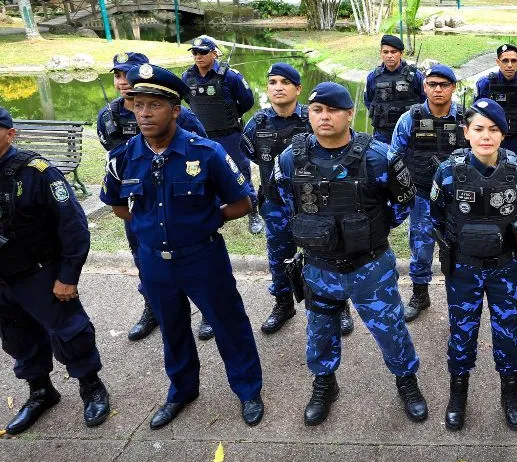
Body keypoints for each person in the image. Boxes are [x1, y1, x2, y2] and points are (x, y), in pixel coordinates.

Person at [100, 63, 264, 429]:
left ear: (175, 110)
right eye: (137, 104)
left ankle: (248, 389)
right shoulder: (122, 158)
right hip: (155, 263)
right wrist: (152, 229)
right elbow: (116, 206)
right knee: (172, 330)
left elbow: (243, 201)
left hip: (203, 258)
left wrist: (204, 222)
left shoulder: (205, 153)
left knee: (228, 324)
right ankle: (181, 390)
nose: (144, 113)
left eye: (154, 105)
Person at [0, 103, 109, 435]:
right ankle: (41, 392)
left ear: (10, 134)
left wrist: (68, 276)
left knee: (70, 332)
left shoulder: (36, 172)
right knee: (16, 338)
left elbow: (73, 227)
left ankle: (91, 386)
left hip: (40, 274)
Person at [269, 82, 427, 426]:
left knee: (391, 329)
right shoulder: (290, 159)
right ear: (308, 114)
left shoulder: (379, 156)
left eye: (333, 110)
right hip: (319, 267)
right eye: (317, 110)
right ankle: (325, 382)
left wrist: (369, 233)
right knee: (320, 331)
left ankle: (406, 381)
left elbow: (403, 204)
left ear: (350, 114)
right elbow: (282, 203)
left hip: (370, 267)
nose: (325, 117)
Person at [430, 98, 517, 431]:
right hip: (464, 268)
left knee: (508, 332)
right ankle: (458, 394)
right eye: (478, 129)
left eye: (493, 129)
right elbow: (437, 213)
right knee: (462, 332)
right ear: (466, 132)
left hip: (505, 267)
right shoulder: (448, 170)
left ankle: (510, 394)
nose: (486, 136)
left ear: (503, 134)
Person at [96, 51, 208, 342]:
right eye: (118, 75)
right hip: (138, 202)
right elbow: (113, 158)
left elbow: (202, 154)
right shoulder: (107, 116)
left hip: (180, 200)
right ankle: (153, 307)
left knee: (198, 261)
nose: (122, 81)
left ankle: (206, 310)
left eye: (127, 73)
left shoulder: (184, 116)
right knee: (144, 258)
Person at [241, 63, 357, 338]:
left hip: (317, 206)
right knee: (279, 257)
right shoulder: (256, 124)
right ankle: (283, 304)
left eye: (284, 82)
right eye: (272, 82)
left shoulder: (315, 117)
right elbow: (256, 158)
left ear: (298, 88)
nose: (278, 87)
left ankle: (340, 305)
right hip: (277, 205)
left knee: (330, 255)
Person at [389, 64, 467, 322]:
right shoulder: (410, 119)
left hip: (457, 200)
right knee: (421, 248)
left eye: (444, 85)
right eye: (432, 84)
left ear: (453, 88)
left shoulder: (467, 120)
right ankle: (420, 294)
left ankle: (460, 297)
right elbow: (394, 158)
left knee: (459, 248)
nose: (438, 90)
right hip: (422, 197)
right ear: (424, 87)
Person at [181, 35, 262, 255]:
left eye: (203, 52)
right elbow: (189, 102)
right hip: (202, 135)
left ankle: (253, 213)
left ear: (214, 53)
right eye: (195, 53)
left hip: (229, 135)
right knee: (204, 174)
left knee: (241, 172)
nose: (198, 57)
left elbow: (247, 101)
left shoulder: (231, 77)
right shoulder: (187, 77)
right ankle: (214, 212)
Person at [474, 43, 517, 160]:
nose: (509, 65)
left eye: (513, 61)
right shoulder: (485, 84)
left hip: (516, 138)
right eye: (505, 61)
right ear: (498, 62)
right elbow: (476, 115)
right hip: (490, 138)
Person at [363, 34, 425, 143]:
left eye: (393, 52)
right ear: (381, 53)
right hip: (382, 134)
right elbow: (368, 101)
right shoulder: (373, 77)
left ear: (401, 53)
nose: (389, 56)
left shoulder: (415, 75)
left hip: (410, 132)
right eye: (385, 52)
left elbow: (425, 101)